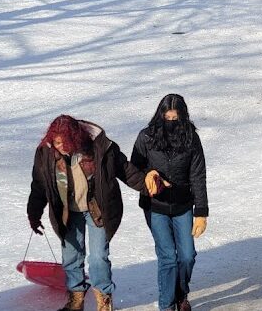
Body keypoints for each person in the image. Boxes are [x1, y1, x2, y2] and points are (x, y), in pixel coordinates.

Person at [27, 115, 149, 311]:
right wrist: (33, 214)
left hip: (96, 208)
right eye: (56, 142)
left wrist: (148, 186)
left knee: (98, 257)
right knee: (71, 257)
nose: (60, 146)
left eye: (64, 142)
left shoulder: (98, 149)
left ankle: (104, 300)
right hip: (67, 212)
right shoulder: (45, 154)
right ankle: (76, 300)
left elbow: (125, 170)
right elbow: (39, 186)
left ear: (75, 138)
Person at [130, 94, 209, 311]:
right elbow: (133, 167)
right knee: (167, 258)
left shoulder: (191, 139)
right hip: (155, 207)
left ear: (182, 117)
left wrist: (201, 212)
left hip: (183, 205)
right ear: (160, 114)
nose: (171, 122)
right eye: (167, 117)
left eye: (175, 118)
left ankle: (180, 294)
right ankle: (166, 305)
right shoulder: (146, 137)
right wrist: (149, 174)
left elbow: (198, 175)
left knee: (187, 256)